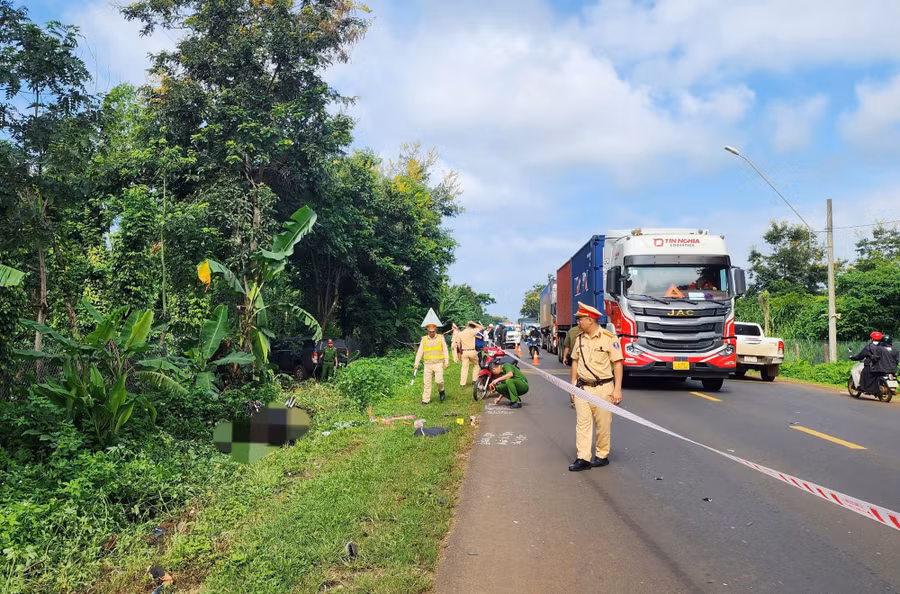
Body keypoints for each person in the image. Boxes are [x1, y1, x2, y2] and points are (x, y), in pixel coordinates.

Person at [568, 301, 624, 472]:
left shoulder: (609, 338)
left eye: (580, 319)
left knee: (603, 424)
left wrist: (617, 389)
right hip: (582, 388)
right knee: (582, 424)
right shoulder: (579, 339)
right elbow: (575, 361)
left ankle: (601, 455)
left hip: (604, 388)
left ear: (590, 320)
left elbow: (618, 364)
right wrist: (572, 385)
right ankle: (583, 458)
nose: (578, 322)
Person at [414, 322, 450, 404]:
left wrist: (446, 361)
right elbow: (420, 352)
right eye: (430, 331)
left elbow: (445, 350)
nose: (431, 333)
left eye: (433, 331)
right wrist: (416, 363)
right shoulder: (424, 339)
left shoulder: (441, 338)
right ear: (427, 331)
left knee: (439, 381)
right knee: (427, 383)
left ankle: (441, 391)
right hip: (427, 364)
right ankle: (425, 400)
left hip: (438, 363)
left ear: (436, 330)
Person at [562, 325, 583, 408]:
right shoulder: (588, 332)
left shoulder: (571, 331)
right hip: (583, 360)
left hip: (575, 359)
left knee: (574, 379)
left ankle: (573, 400)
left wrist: (564, 357)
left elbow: (567, 346)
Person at [458, 321, 482, 386]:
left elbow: (458, 344)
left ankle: (462, 383)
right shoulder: (472, 332)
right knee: (476, 365)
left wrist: (459, 354)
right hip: (472, 351)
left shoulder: (461, 333)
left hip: (464, 351)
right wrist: (474, 323)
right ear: (473, 327)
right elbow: (481, 327)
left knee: (464, 368)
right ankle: (474, 380)